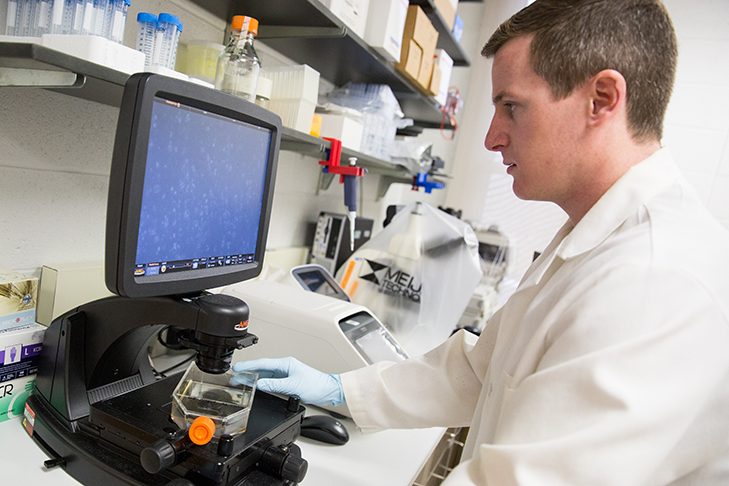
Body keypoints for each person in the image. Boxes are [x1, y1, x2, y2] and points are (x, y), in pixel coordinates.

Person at [234, 1, 729, 484]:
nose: (492, 138)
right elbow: (482, 370)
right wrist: (340, 388)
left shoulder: (656, 278)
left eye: (511, 107)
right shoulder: (595, 236)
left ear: (601, 99)